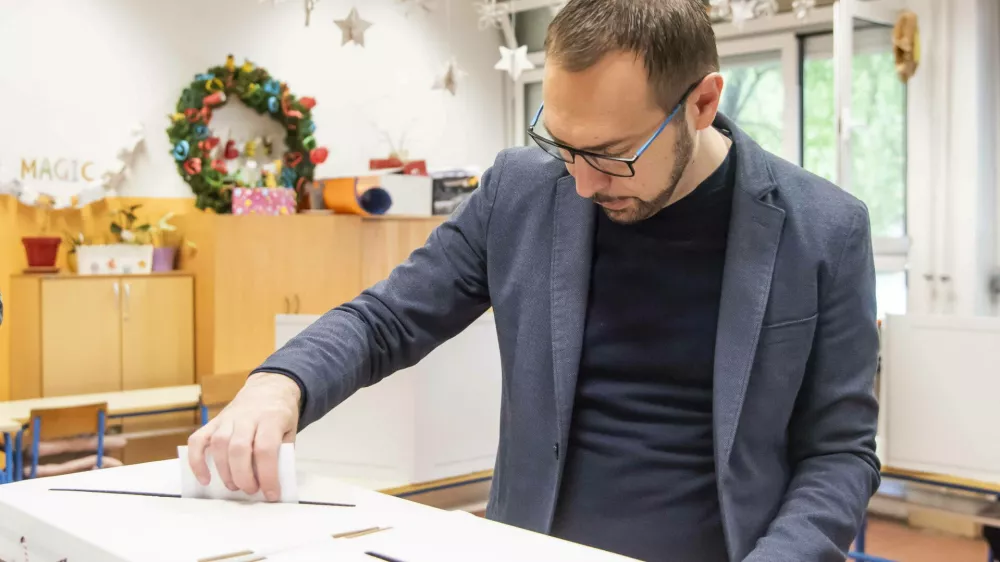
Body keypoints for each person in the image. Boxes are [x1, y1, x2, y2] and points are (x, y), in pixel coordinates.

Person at [188, 0, 881, 560]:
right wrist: (279, 384)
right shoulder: (520, 192)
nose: (580, 184)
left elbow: (839, 453)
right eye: (561, 144)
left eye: (611, 155)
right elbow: (388, 319)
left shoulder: (825, 230)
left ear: (701, 103)